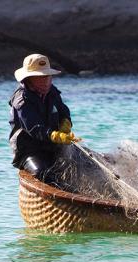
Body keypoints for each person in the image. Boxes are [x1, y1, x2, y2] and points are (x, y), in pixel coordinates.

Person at [8, 53, 81, 184]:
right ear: (29, 79)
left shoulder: (52, 91)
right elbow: (35, 128)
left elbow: (63, 110)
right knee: (43, 174)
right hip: (30, 151)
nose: (46, 81)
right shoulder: (21, 100)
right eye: (40, 77)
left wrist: (66, 122)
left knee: (85, 163)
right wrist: (55, 136)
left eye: (48, 76)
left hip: (54, 146)